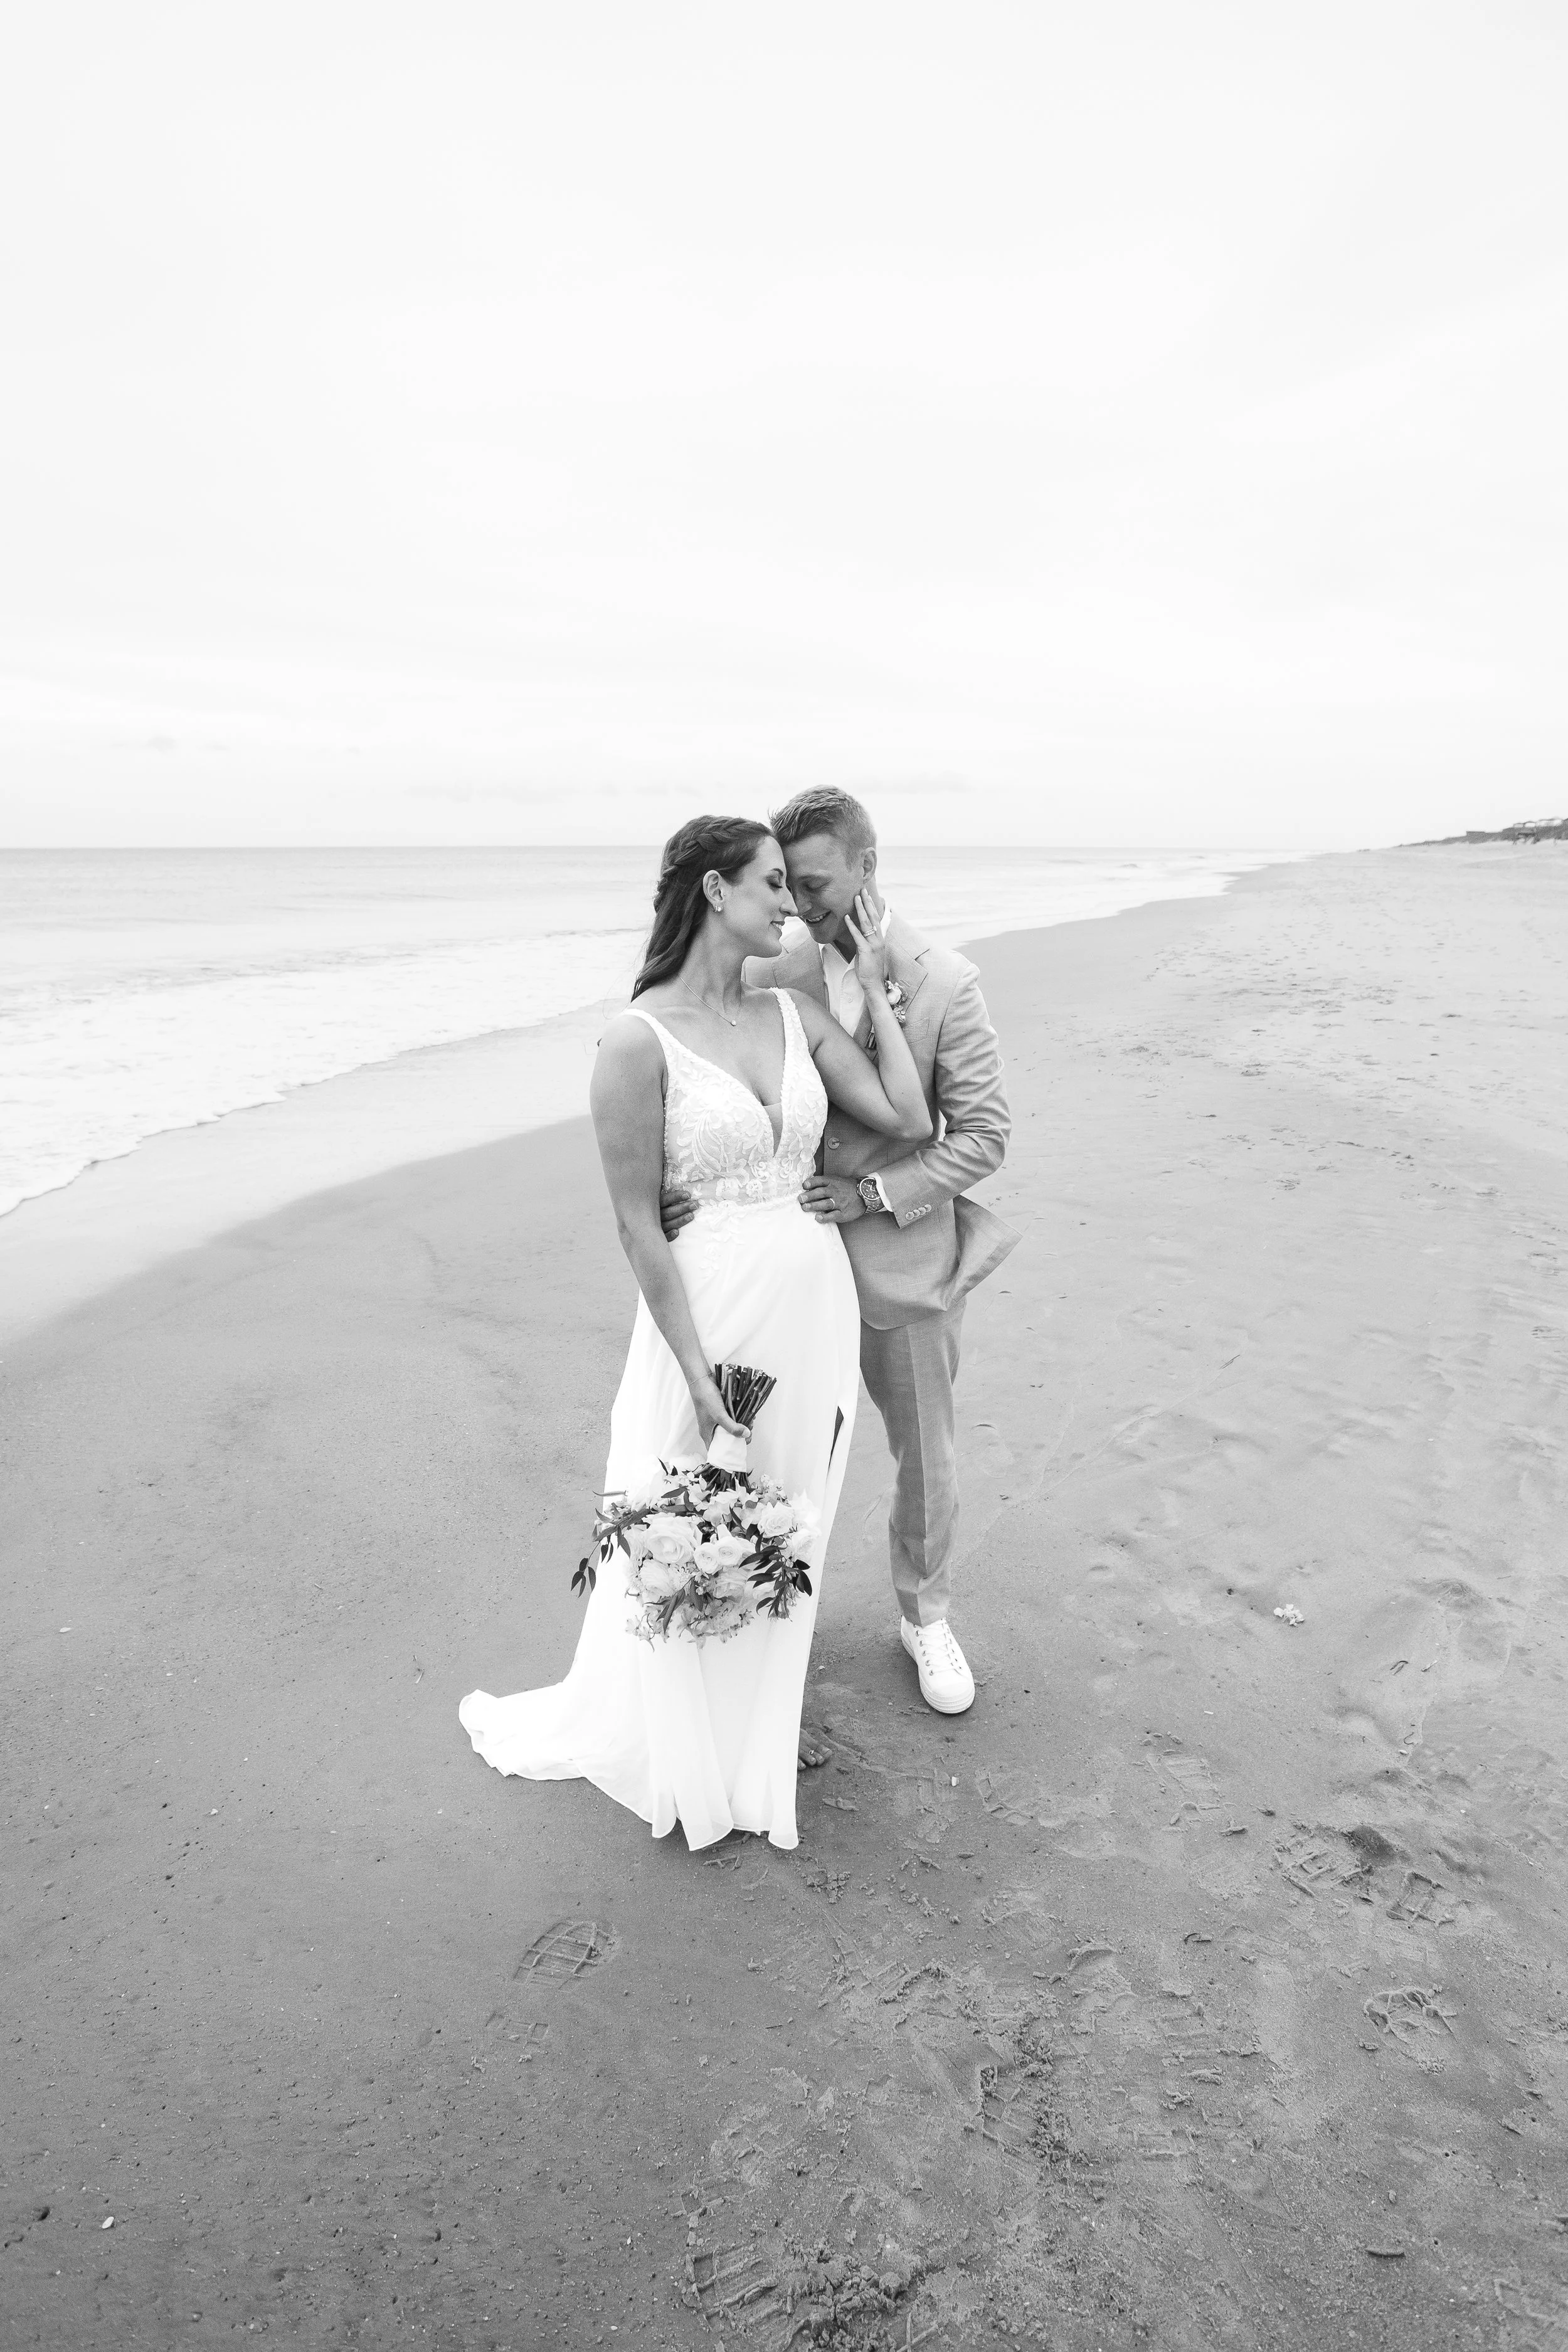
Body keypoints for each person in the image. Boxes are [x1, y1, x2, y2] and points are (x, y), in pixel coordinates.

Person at [459, 815, 932, 1852]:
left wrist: (866, 970)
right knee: (699, 1502)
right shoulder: (635, 1043)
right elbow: (637, 1220)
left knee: (788, 1511)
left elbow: (909, 1117)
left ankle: (765, 1717)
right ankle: (696, 1735)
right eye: (771, 884)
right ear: (715, 893)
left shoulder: (793, 1008)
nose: (790, 906)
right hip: (707, 1315)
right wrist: (691, 1363)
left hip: (814, 1306)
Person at [663, 788, 1016, 1721]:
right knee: (776, 1453)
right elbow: (703, 1061)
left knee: (924, 1455)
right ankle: (762, 1617)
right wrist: (682, 1180)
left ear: (867, 869)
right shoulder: (777, 966)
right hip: (784, 1258)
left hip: (904, 1255)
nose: (798, 905)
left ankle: (925, 1616)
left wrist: (873, 1194)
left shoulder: (948, 983)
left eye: (814, 884)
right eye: (785, 884)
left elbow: (981, 1136)